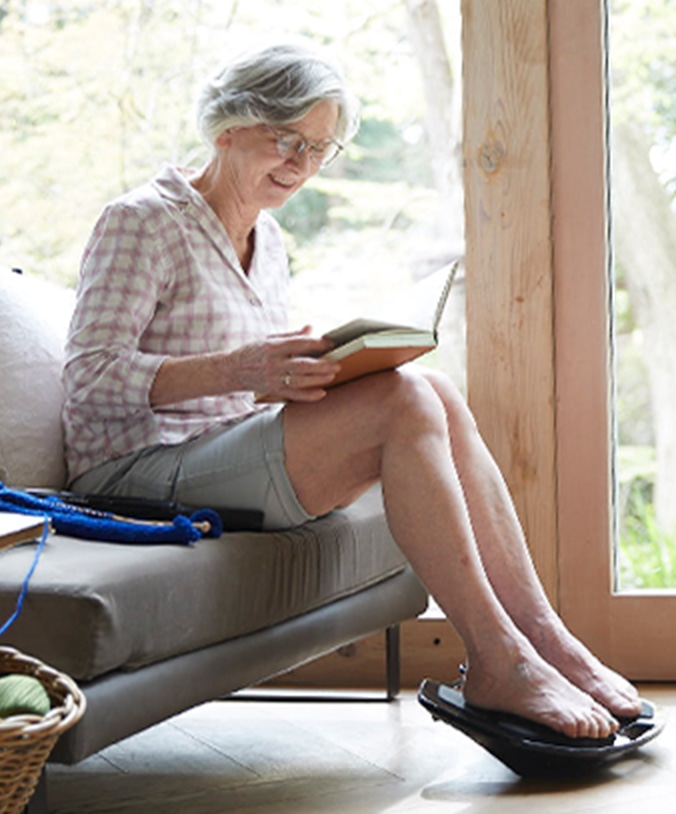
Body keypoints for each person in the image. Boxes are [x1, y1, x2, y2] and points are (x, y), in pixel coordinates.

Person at [62, 40, 641, 740]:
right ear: (227, 126)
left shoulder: (267, 240)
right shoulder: (143, 221)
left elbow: (251, 390)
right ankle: (498, 661)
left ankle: (545, 638)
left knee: (430, 390)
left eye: (318, 149)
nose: (300, 165)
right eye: (286, 140)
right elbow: (89, 379)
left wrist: (313, 373)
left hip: (216, 455)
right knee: (404, 401)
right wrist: (243, 369)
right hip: (131, 479)